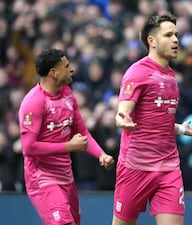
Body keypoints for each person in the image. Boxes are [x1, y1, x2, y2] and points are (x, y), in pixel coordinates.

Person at [112, 13, 192, 225]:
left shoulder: (171, 76)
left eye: (176, 35)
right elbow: (123, 112)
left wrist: (181, 129)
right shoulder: (137, 73)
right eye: (168, 35)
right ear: (152, 41)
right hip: (135, 166)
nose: (176, 40)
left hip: (169, 168)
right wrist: (122, 119)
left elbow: (155, 119)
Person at [18, 48, 115, 225]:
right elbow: (28, 148)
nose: (71, 69)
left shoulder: (68, 95)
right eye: (66, 66)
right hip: (42, 178)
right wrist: (69, 147)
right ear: (53, 73)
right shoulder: (34, 102)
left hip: (66, 177)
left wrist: (101, 154)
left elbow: (82, 133)